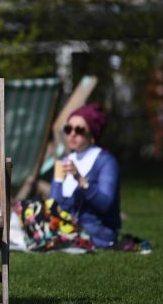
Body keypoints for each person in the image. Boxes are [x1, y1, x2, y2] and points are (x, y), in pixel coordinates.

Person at [49, 103, 121, 248]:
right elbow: (53, 203)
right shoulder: (65, 161)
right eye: (68, 129)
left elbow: (105, 204)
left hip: (97, 231)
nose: (72, 134)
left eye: (79, 130)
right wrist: (58, 181)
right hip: (66, 227)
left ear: (92, 133)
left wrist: (80, 180)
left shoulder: (106, 162)